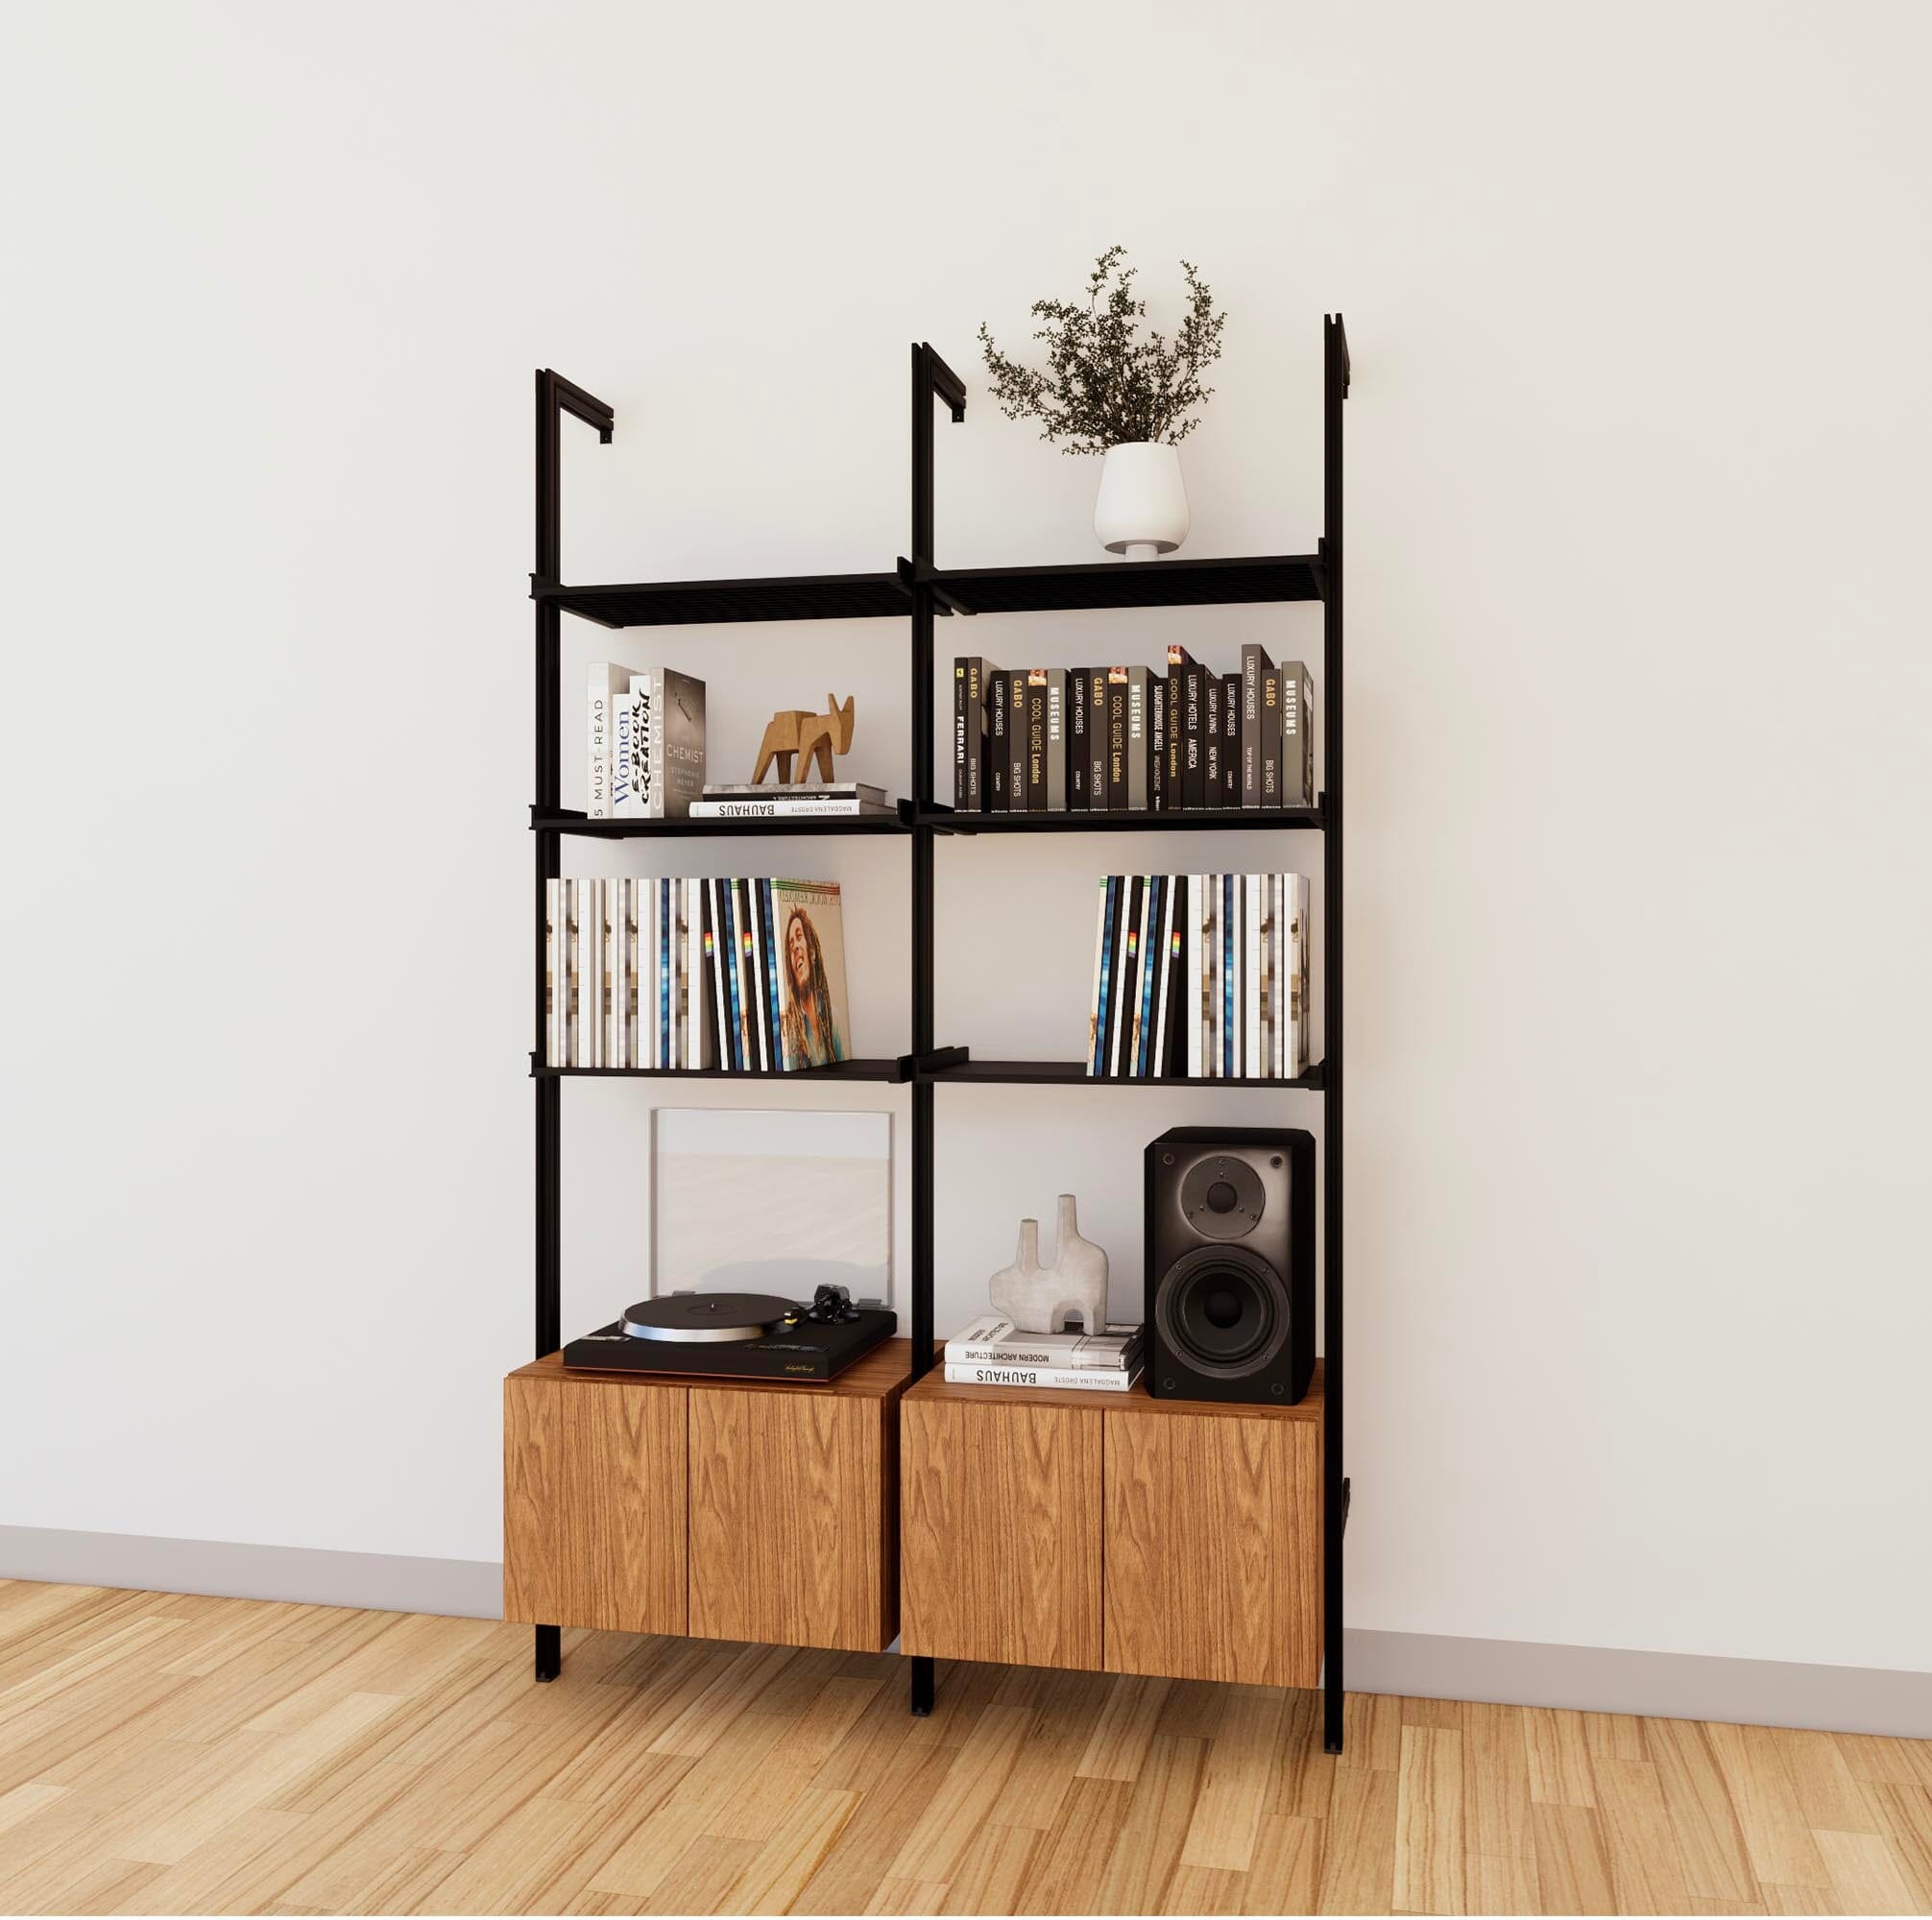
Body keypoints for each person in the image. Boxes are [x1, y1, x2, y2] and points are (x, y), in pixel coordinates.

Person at [780, 905, 844, 1068]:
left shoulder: (833, 1018)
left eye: (799, 936)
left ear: (812, 952)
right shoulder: (789, 1029)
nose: (794, 947)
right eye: (790, 943)